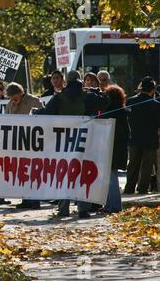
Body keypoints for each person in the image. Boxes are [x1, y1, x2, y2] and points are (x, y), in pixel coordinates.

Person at [36, 70, 110, 218]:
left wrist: (36, 112)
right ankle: (83, 209)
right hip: (85, 141)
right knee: (82, 173)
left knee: (64, 174)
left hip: (63, 143)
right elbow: (106, 102)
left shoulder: (59, 97)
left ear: (66, 81)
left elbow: (47, 113)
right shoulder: (87, 96)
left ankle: (63, 209)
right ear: (80, 81)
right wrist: (95, 91)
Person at [5, 82, 43, 209]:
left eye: (15, 97)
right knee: (22, 172)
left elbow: (45, 117)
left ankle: (35, 201)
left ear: (21, 93)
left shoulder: (33, 101)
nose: (13, 100)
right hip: (18, 143)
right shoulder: (10, 104)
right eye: (11, 98)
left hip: (33, 142)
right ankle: (25, 200)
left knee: (33, 172)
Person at [124, 76, 160, 195]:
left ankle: (129, 188)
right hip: (150, 139)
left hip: (134, 137)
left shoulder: (130, 101)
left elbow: (127, 118)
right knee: (146, 166)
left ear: (141, 87)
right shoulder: (156, 105)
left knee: (133, 165)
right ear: (152, 90)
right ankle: (142, 189)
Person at [100, 85, 129, 213]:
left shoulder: (107, 112)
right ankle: (110, 204)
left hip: (110, 147)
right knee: (111, 176)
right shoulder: (123, 112)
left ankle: (115, 205)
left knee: (110, 177)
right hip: (119, 148)